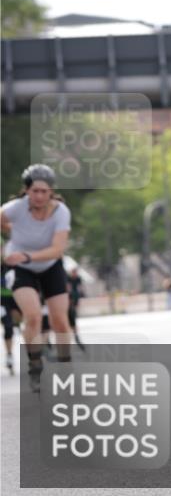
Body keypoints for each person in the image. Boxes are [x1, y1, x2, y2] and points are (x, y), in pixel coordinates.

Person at [0, 164, 73, 392]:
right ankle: (35, 367)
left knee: (60, 320)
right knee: (32, 316)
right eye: (35, 191)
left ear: (51, 191)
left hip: (50, 265)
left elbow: (57, 250)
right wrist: (10, 232)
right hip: (21, 267)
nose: (39, 196)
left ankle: (65, 367)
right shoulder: (16, 208)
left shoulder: (61, 212)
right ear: (26, 191)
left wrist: (28, 255)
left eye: (44, 191)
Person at [66, 265, 85, 349]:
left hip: (73, 298)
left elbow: (79, 287)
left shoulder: (78, 278)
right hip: (69, 299)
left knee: (73, 320)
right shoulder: (68, 278)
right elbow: (68, 288)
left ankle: (76, 338)